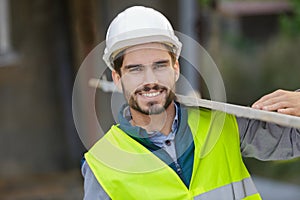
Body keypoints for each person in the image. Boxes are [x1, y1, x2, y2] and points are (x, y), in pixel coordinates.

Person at [81, 6, 300, 200]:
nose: (150, 80)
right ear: (117, 78)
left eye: (160, 65)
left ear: (175, 68)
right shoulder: (101, 166)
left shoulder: (222, 124)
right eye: (135, 69)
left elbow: (294, 141)